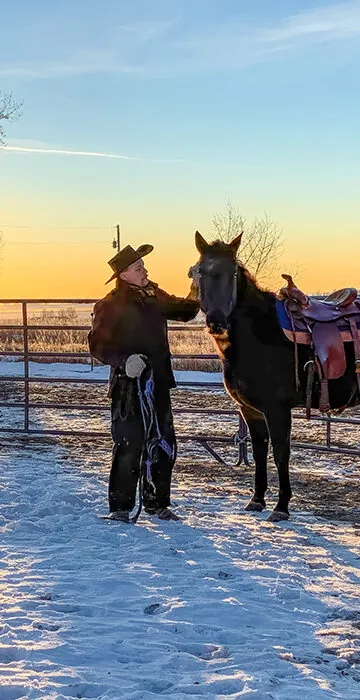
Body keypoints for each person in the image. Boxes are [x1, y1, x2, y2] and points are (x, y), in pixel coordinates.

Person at [88, 243, 200, 522]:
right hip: (128, 386)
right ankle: (121, 508)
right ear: (124, 274)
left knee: (162, 441)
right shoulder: (109, 305)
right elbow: (97, 345)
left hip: (158, 382)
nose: (145, 271)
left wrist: (197, 287)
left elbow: (184, 311)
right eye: (139, 268)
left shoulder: (155, 296)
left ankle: (158, 503)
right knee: (129, 443)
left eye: (143, 267)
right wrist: (124, 360)